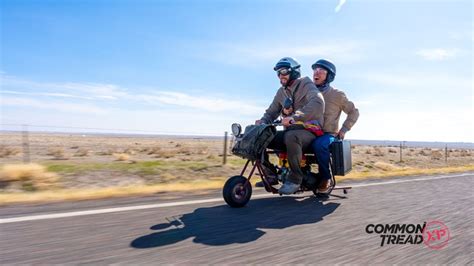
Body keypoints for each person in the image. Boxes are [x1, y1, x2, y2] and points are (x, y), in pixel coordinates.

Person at [256, 57, 325, 194]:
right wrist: (263, 122)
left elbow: (318, 102)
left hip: (308, 132)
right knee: (261, 136)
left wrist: (294, 117)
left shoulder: (306, 84)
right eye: (278, 73)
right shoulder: (281, 92)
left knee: (292, 136)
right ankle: (270, 174)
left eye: (284, 71)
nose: (280, 75)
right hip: (290, 132)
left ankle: (295, 178)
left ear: (293, 71)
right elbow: (271, 112)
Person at [311, 59, 359, 194]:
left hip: (328, 134)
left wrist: (344, 129)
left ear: (329, 76)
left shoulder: (337, 94)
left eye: (321, 70)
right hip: (308, 131)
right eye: (315, 70)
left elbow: (354, 112)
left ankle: (326, 178)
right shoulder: (308, 93)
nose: (316, 72)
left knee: (320, 145)